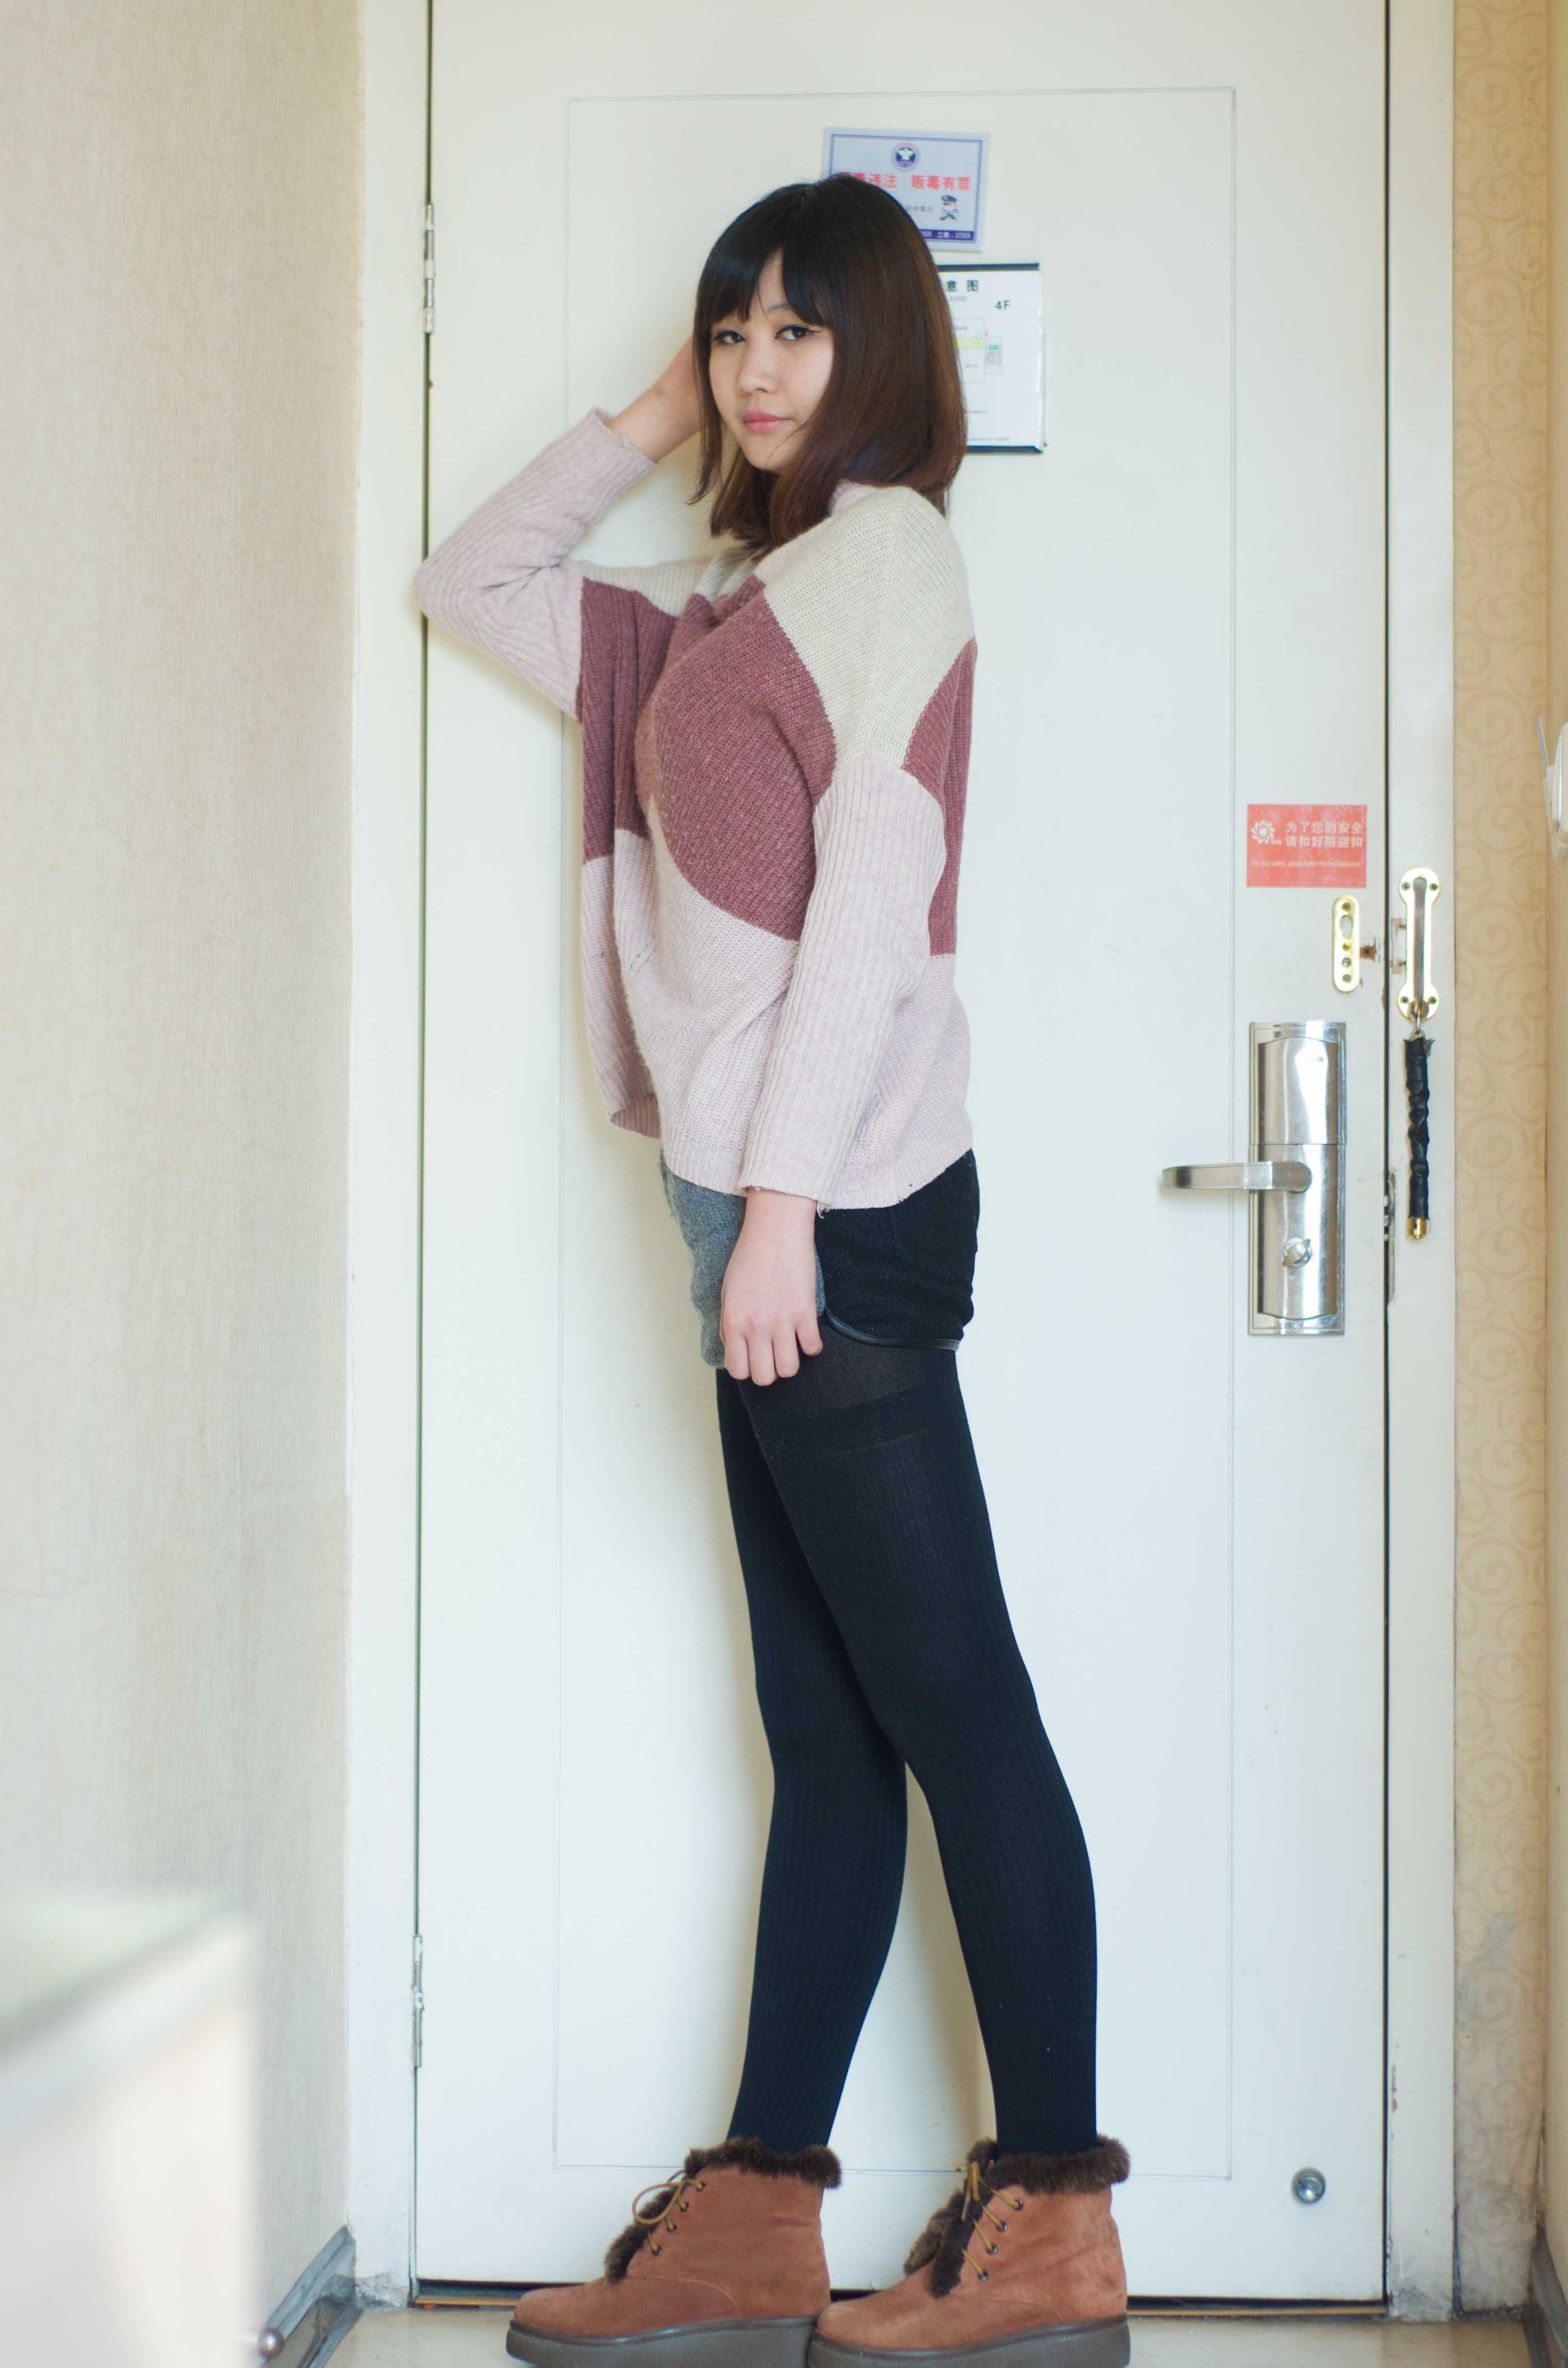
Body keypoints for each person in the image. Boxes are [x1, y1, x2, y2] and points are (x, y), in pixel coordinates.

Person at [415, 172, 1131, 2368]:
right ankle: (753, 2222)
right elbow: (469, 580)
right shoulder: (727, 605)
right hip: (754, 1213)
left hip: (842, 1213)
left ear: (883, 350)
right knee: (827, 1734)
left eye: (799, 329)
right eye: (736, 326)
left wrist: (793, 1207)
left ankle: (1054, 2223)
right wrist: (655, 407)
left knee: (956, 1709)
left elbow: (879, 890)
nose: (756, 364)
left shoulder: (890, 557)